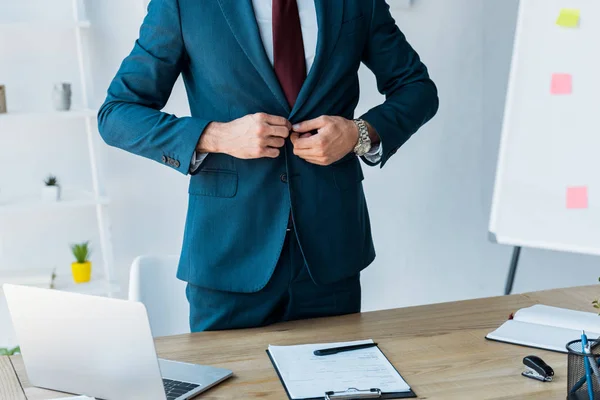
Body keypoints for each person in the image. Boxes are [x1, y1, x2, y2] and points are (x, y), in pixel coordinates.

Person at [98, 0, 438, 331]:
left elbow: (417, 89)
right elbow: (117, 114)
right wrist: (217, 136)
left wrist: (357, 133)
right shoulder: (182, 4)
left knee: (334, 384)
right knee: (229, 387)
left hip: (331, 253)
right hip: (229, 255)